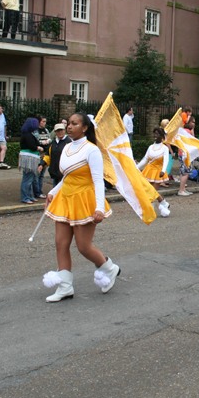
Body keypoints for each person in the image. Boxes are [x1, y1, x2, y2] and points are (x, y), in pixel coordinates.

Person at [43, 113, 119, 302]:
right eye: (68, 123)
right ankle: (65, 287)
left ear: (85, 128)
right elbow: (67, 177)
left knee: (84, 247)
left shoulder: (92, 150)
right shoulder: (67, 147)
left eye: (74, 124)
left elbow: (98, 181)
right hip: (64, 199)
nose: (69, 127)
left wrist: (99, 208)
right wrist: (53, 191)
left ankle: (109, 268)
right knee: (61, 244)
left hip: (85, 200)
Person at [136, 128, 171, 216]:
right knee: (150, 190)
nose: (155, 136)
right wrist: (136, 167)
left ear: (162, 136)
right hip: (148, 170)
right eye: (154, 134)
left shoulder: (165, 148)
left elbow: (166, 160)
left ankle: (150, 209)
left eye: (157, 134)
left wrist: (163, 170)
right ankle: (163, 203)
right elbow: (145, 159)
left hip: (158, 172)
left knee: (152, 191)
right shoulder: (150, 147)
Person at [19, 118, 44, 204]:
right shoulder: (28, 135)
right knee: (28, 178)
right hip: (29, 158)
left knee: (31, 177)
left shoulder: (28, 134)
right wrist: (39, 148)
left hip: (31, 157)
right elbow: (32, 146)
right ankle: (25, 197)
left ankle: (29, 196)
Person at [46, 123, 70, 188]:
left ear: (65, 130)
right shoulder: (53, 143)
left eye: (61, 130)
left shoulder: (69, 142)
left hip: (64, 172)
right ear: (55, 132)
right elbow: (48, 155)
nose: (60, 132)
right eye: (58, 131)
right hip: (54, 171)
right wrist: (42, 164)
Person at [35, 116, 51, 198]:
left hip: (45, 154)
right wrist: (41, 142)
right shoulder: (35, 130)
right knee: (37, 173)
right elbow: (35, 141)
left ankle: (39, 190)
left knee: (42, 174)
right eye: (43, 121)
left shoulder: (46, 130)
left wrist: (48, 141)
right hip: (38, 154)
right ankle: (36, 191)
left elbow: (49, 138)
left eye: (45, 121)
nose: (44, 123)